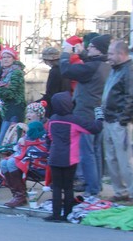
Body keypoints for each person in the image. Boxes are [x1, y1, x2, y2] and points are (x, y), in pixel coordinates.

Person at [59, 34, 111, 199]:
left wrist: (66, 53)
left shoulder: (92, 67)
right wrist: (81, 54)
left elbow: (66, 70)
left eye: (92, 47)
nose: (88, 48)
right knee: (95, 151)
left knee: (86, 152)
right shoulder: (104, 65)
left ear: (99, 50)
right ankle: (96, 185)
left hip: (85, 113)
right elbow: (89, 63)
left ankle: (92, 189)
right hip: (97, 112)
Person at [44, 92, 103, 222]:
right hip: (70, 158)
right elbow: (95, 128)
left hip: (54, 156)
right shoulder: (75, 120)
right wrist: (99, 115)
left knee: (57, 187)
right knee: (68, 186)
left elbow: (48, 137)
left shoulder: (53, 119)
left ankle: (55, 214)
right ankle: (67, 214)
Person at [101, 40, 133, 204]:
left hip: (120, 121)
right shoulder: (115, 70)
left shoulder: (130, 71)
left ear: (121, 54)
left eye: (111, 53)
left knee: (124, 158)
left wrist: (123, 119)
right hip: (109, 118)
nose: (108, 57)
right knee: (111, 157)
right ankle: (120, 191)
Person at [0, 120, 49, 208]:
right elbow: (19, 151)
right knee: (4, 163)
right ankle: (16, 194)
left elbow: (43, 153)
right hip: (27, 162)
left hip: (38, 166)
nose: (29, 132)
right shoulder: (26, 138)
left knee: (11, 162)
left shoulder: (44, 139)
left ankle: (20, 196)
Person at [0, 48, 26, 142]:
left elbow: (10, 93)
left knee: (7, 140)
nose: (5, 59)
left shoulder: (16, 72)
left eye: (9, 57)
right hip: (8, 109)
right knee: (5, 139)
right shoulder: (5, 72)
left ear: (14, 59)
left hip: (15, 109)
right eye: (3, 57)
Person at [40, 46, 70, 117]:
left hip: (55, 105)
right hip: (66, 102)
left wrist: (38, 102)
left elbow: (51, 92)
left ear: (46, 60)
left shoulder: (54, 71)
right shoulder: (64, 68)